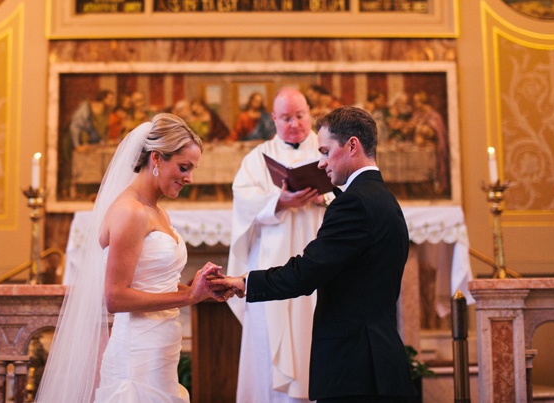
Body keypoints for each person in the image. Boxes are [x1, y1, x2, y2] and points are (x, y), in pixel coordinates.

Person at [221, 106, 416, 403]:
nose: (321, 163)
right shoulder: (386, 199)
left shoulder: (352, 204)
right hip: (379, 361)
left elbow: (305, 273)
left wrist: (245, 282)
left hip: (353, 368)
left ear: (352, 145)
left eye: (325, 151)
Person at [36, 114, 234, 403]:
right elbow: (115, 297)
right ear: (156, 158)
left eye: (192, 169)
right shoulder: (129, 212)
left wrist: (202, 290)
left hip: (160, 351)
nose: (190, 178)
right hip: (137, 357)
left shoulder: (158, 212)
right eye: (184, 167)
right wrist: (189, 296)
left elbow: (153, 285)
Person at [226, 87, 328, 403]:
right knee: (268, 340)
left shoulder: (328, 151)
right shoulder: (257, 159)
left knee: (316, 333)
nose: (295, 123)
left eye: (300, 115)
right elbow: (243, 202)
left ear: (310, 113)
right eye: (286, 117)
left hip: (318, 263)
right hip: (271, 265)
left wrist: (324, 195)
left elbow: (349, 191)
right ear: (273, 119)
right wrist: (278, 201)